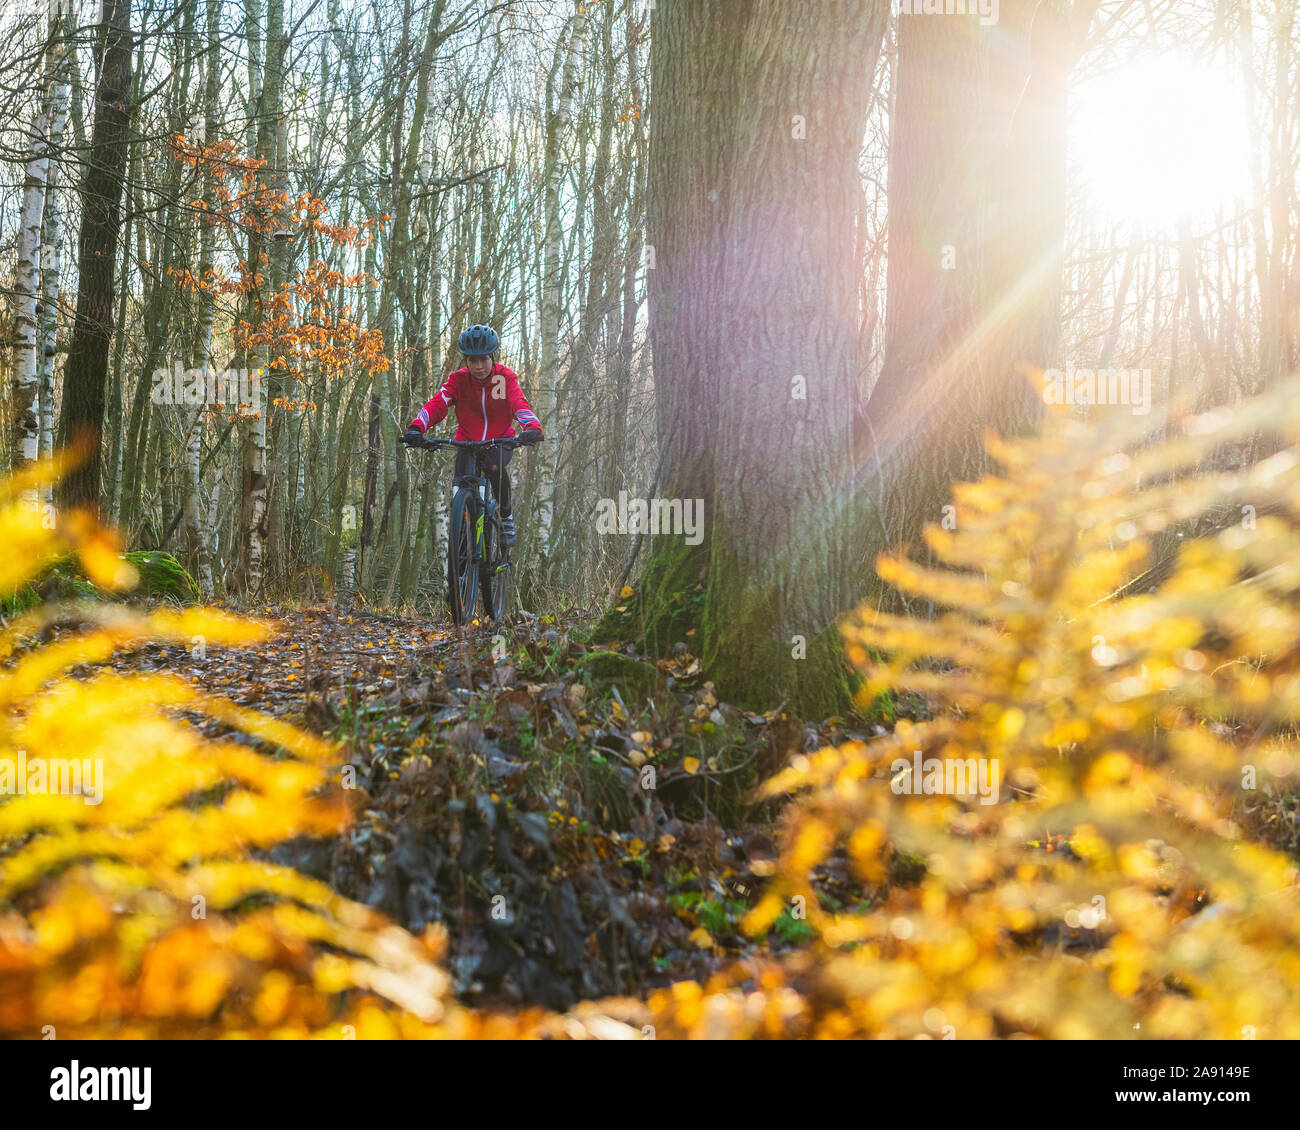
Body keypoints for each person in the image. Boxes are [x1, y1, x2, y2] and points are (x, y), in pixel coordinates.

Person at [402, 324, 542, 545]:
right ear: (465, 361)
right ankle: (462, 543)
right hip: (467, 442)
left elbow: (518, 403)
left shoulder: (505, 378)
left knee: (494, 466)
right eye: (472, 360)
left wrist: (532, 427)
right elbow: (438, 404)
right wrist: (417, 427)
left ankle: (506, 517)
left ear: (492, 356)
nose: (478, 366)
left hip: (500, 440)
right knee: (460, 486)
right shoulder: (458, 380)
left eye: (483, 359)